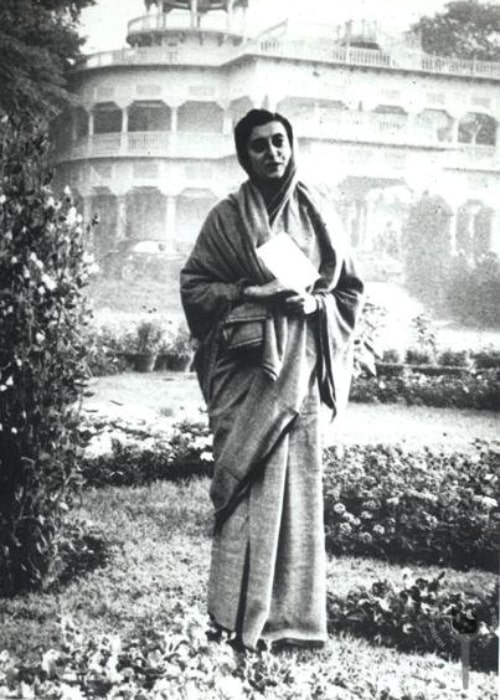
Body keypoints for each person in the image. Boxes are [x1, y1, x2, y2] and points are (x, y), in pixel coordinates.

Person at [180, 109, 364, 651]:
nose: (273, 153)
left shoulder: (318, 213)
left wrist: (316, 303)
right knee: (241, 492)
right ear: (245, 156)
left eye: (280, 142)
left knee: (294, 494)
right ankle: (229, 617)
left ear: (292, 145)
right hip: (244, 375)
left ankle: (293, 621)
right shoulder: (226, 218)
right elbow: (194, 287)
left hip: (298, 372)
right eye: (259, 146)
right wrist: (248, 293)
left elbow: (349, 291)